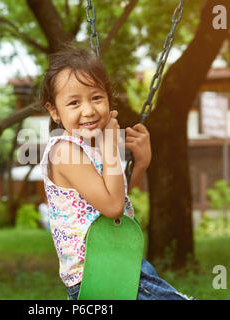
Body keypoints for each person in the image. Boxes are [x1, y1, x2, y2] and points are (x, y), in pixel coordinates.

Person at [39, 46, 194, 300]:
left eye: (96, 98)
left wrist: (141, 164)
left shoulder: (90, 148)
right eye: (74, 102)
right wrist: (110, 144)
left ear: (109, 99)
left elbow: (112, 198)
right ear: (54, 110)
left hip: (113, 266)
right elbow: (113, 207)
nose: (88, 110)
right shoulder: (64, 151)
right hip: (102, 272)